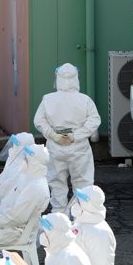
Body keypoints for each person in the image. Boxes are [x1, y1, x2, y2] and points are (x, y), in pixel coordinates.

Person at [33, 63, 101, 213]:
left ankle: (59, 217)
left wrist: (52, 135)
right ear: (76, 78)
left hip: (56, 145)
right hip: (79, 146)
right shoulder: (85, 100)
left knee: (57, 182)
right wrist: (76, 135)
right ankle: (81, 215)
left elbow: (39, 120)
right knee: (83, 182)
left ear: (57, 78)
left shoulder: (48, 99)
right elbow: (94, 120)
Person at [0, 144, 50, 248]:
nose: (23, 160)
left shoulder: (35, 188)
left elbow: (15, 218)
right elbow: (8, 205)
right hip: (7, 225)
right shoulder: (29, 179)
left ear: (33, 163)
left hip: (14, 232)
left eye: (25, 158)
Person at [71, 186, 116, 265]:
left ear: (87, 205)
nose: (75, 204)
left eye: (78, 202)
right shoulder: (82, 224)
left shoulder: (100, 233)